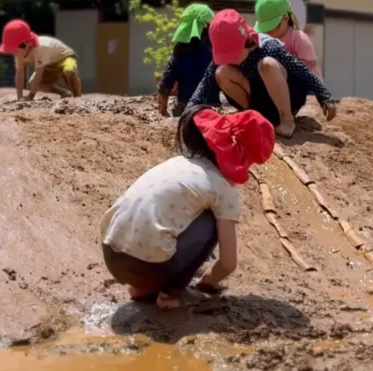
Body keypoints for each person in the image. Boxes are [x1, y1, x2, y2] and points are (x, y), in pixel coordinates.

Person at [101, 105, 275, 310]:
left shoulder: (178, 162)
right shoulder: (222, 191)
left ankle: (143, 288)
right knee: (212, 222)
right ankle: (170, 294)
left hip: (110, 254)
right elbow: (228, 264)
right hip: (148, 267)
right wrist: (207, 282)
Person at [188, 10, 336, 138]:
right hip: (257, 99)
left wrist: (324, 96)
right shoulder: (225, 60)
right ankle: (252, 116)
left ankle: (287, 120)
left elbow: (302, 70)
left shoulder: (268, 47)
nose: (229, 58)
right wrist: (190, 109)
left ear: (246, 42)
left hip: (284, 98)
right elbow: (205, 82)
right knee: (221, 72)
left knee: (267, 65)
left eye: (232, 53)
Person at [0, 19, 82, 100]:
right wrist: (20, 97)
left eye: (14, 49)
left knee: (69, 70)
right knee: (34, 84)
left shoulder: (41, 48)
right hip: (48, 64)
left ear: (26, 45)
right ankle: (64, 93)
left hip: (64, 57)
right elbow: (19, 75)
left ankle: (77, 96)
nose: (12, 53)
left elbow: (38, 74)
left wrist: (31, 96)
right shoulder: (19, 54)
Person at [157, 4, 215, 117]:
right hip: (211, 106)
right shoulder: (214, 53)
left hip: (186, 108)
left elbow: (165, 87)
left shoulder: (178, 55)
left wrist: (163, 110)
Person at [254, 0, 321, 77]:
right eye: (264, 28)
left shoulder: (298, 38)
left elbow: (309, 65)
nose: (268, 31)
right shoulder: (263, 39)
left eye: (271, 27)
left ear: (285, 19)